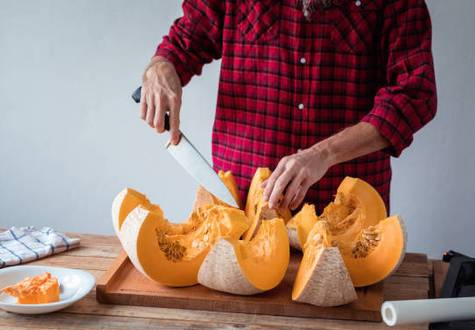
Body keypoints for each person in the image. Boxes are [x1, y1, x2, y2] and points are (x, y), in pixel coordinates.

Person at [140, 0, 437, 213]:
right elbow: (186, 42)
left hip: (348, 215)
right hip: (242, 208)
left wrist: (324, 154)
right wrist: (161, 66)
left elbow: (414, 94)